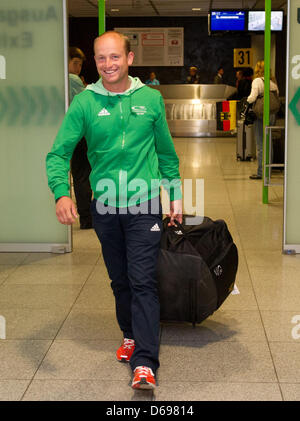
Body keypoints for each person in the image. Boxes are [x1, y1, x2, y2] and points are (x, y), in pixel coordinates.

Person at [46, 31, 182, 390]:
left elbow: (166, 153)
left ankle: (145, 362)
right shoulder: (85, 103)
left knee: (142, 280)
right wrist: (62, 193)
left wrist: (176, 194)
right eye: (101, 58)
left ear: (130, 58)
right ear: (94, 61)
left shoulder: (150, 99)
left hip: (145, 202)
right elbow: (58, 153)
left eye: (115, 57)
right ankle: (129, 333)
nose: (108, 64)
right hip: (105, 206)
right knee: (119, 279)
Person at [68, 47, 93, 229]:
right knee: (84, 175)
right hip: (81, 134)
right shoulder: (72, 79)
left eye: (80, 64)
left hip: (68, 133)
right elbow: (88, 100)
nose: (78, 68)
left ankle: (84, 215)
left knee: (78, 174)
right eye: (75, 63)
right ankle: (86, 217)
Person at [245, 60, 279, 180]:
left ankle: (261, 172)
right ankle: (268, 171)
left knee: (260, 143)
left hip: (261, 114)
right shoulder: (272, 82)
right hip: (272, 114)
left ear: (257, 69)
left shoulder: (257, 81)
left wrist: (247, 101)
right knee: (269, 143)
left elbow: (252, 97)